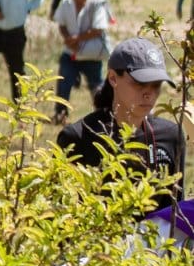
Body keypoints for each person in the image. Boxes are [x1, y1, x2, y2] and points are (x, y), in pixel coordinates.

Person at [59, 38, 185, 211]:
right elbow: (58, 214)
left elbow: (175, 215)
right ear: (113, 78)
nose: (149, 93)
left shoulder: (171, 135)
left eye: (156, 85)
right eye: (139, 83)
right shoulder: (78, 136)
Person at [53, 0, 110, 123]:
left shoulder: (96, 3)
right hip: (70, 52)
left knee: (96, 87)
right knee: (63, 83)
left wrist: (76, 39)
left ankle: (103, 116)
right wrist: (68, 39)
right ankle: (60, 115)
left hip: (90, 55)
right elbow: (61, 24)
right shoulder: (66, 1)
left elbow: (99, 29)